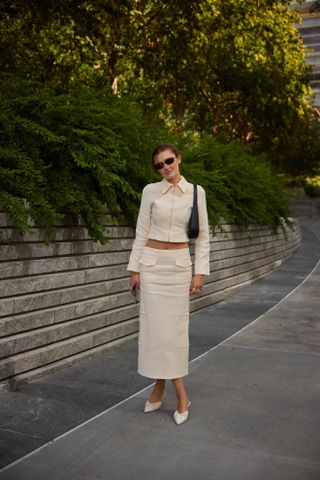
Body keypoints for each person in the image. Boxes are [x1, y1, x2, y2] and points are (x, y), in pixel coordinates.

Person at [127, 144, 210, 425]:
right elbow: (140, 232)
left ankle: (174, 392)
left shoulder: (197, 193)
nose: (165, 168)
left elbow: (203, 238)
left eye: (169, 161)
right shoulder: (150, 191)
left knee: (173, 332)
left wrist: (200, 272)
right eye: (159, 165)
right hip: (151, 266)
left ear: (179, 159)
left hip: (177, 269)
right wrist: (134, 268)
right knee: (154, 329)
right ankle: (165, 388)